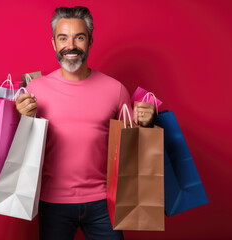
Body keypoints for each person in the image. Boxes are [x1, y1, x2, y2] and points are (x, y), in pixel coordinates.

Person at [15, 6, 154, 240]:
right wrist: (21, 118)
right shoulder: (34, 90)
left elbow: (132, 149)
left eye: (79, 37)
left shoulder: (116, 89)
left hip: (103, 203)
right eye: (63, 38)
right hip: (52, 203)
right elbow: (20, 149)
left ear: (90, 41)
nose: (71, 46)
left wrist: (147, 125)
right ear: (53, 44)